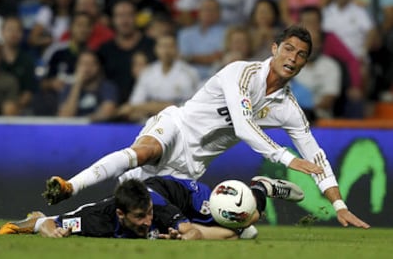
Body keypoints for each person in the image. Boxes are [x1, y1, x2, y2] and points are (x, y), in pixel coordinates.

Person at [44, 25, 370, 229]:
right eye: (288, 48)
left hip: (190, 170)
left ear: (304, 63)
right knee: (146, 151)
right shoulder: (240, 74)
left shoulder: (288, 109)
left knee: (241, 228)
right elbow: (243, 127)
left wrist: (339, 205)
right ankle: (71, 186)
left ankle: (261, 189)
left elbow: (317, 156)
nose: (293, 58)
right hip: (175, 129)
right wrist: (285, 158)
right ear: (274, 49)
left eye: (301, 55)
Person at [0, 175, 300, 239]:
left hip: (182, 195)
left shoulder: (160, 210)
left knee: (244, 226)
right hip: (149, 195)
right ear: (121, 215)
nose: (147, 221)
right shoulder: (97, 220)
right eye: (140, 217)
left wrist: (184, 236)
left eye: (148, 214)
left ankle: (262, 188)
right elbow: (53, 223)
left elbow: (202, 234)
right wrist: (44, 227)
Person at [114, 34, 199, 123]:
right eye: (162, 46)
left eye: (170, 46)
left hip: (179, 123)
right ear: (156, 49)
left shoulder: (189, 73)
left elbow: (190, 108)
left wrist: (152, 107)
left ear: (177, 49)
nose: (166, 51)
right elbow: (134, 104)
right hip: (149, 123)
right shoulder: (147, 72)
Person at [97, 0, 155, 105]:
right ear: (113, 20)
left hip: (145, 109)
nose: (125, 21)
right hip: (112, 110)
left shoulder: (152, 46)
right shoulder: (104, 50)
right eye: (120, 16)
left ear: (136, 17)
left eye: (129, 15)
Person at [57, 50, 118, 122]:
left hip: (98, 130)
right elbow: (65, 116)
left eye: (91, 64)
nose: (87, 68)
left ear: (99, 67)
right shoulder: (68, 88)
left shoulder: (108, 87)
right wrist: (77, 84)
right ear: (76, 66)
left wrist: (85, 120)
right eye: (83, 64)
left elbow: (107, 113)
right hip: (74, 130)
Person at [177, 0, 226, 81]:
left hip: (214, 77)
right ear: (199, 12)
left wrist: (191, 58)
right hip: (187, 78)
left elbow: (218, 57)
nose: (208, 13)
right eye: (205, 9)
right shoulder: (185, 34)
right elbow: (182, 58)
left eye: (212, 10)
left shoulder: (226, 33)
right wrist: (207, 58)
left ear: (219, 13)